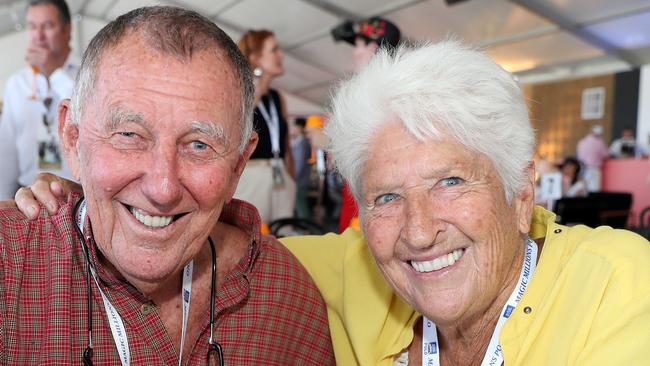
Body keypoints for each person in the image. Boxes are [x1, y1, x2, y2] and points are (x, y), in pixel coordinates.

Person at [15, 42, 650, 365]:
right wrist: (100, 192)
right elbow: (222, 237)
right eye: (386, 197)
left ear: (520, 191)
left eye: (451, 182)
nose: (419, 232)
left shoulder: (618, 282)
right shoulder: (355, 271)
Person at [0, 6, 336, 364]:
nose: (163, 189)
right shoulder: (10, 267)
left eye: (198, 145)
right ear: (72, 138)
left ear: (239, 163)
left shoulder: (283, 297)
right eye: (129, 134)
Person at [0, 0, 78, 199]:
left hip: (77, 194)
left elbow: (90, 113)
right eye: (33, 27)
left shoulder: (88, 73)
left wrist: (54, 73)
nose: (39, 36)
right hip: (29, 197)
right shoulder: (16, 85)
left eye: (48, 26)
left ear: (67, 29)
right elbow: (7, 153)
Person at [329, 16, 401, 232]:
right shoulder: (368, 86)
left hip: (376, 184)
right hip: (362, 185)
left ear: (373, 47)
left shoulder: (389, 87)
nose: (355, 52)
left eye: (359, 45)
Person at [235, 30, 295, 224]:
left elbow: (286, 146)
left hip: (280, 175)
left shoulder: (278, 97)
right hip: (252, 175)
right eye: (274, 50)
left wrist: (291, 179)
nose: (281, 55)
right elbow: (235, 125)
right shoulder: (239, 93)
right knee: (251, 237)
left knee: (285, 235)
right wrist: (257, 88)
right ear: (255, 58)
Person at [290, 117, 313, 219]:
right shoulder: (301, 142)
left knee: (300, 204)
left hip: (300, 179)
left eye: (294, 126)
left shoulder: (302, 143)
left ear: (299, 127)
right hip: (301, 178)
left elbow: (299, 163)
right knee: (300, 203)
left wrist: (293, 177)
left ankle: (304, 227)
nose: (293, 128)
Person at [576, 124, 608, 192]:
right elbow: (605, 155)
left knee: (583, 189)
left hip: (582, 169)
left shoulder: (582, 141)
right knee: (594, 191)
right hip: (593, 169)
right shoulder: (599, 142)